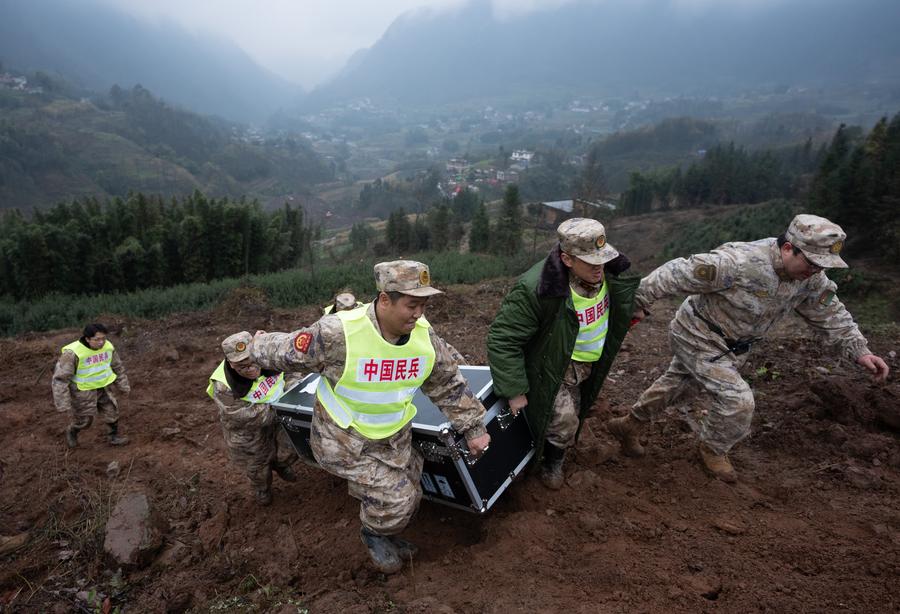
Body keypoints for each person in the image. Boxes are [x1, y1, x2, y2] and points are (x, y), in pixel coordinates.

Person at [246, 260, 491, 573]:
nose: (418, 314)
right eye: (412, 305)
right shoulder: (339, 334)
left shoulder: (424, 337)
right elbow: (286, 350)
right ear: (385, 299)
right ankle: (374, 535)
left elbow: (447, 383)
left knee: (412, 484)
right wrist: (252, 346)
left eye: (424, 305)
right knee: (398, 497)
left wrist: (473, 428)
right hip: (343, 441)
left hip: (392, 437)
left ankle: (385, 525)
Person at [609, 214, 890, 483]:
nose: (815, 271)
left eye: (822, 266)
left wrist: (860, 350)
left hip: (734, 347)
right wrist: (635, 305)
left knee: (680, 384)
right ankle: (713, 450)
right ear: (789, 248)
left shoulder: (811, 279)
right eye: (812, 263)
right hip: (696, 334)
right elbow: (674, 273)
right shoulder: (739, 263)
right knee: (738, 401)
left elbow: (830, 313)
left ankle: (629, 425)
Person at [487, 218, 640, 489]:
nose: (599, 268)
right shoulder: (537, 289)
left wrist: (633, 311)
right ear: (567, 259)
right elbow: (503, 339)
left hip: (588, 362)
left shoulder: (610, 273)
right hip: (553, 365)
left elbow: (621, 301)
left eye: (602, 260)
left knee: (576, 413)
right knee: (564, 420)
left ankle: (553, 449)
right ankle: (549, 464)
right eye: (591, 263)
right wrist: (514, 390)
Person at [207, 332, 299, 506]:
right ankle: (262, 489)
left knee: (288, 450)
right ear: (232, 365)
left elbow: (293, 373)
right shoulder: (223, 385)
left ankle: (281, 465)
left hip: (278, 419)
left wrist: (291, 390)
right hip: (248, 433)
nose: (251, 369)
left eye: (253, 362)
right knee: (258, 466)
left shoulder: (270, 355)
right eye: (243, 366)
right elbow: (246, 416)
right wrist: (283, 406)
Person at [52, 323, 131, 448]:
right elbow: (60, 379)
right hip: (82, 392)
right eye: (97, 339)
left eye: (103, 338)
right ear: (87, 339)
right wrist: (63, 403)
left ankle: (113, 437)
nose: (101, 342)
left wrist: (123, 385)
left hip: (103, 387)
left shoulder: (108, 347)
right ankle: (73, 430)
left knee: (112, 412)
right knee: (85, 421)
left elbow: (117, 367)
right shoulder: (72, 354)